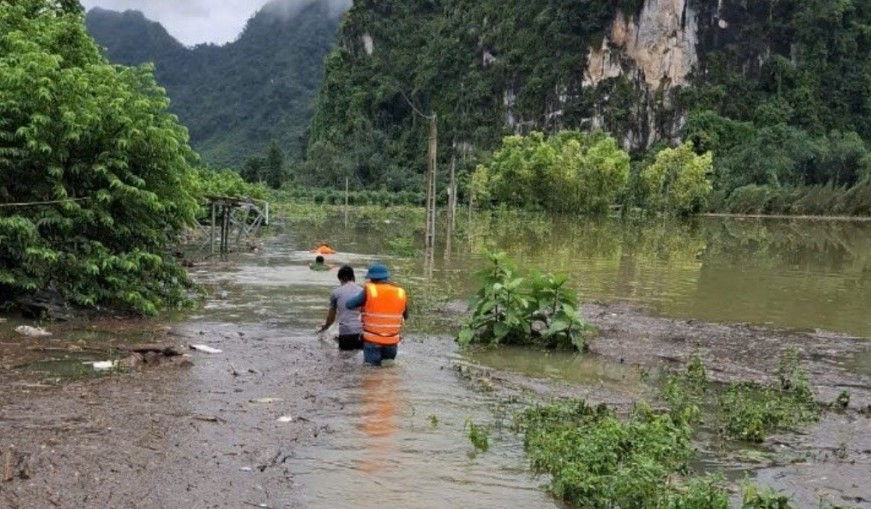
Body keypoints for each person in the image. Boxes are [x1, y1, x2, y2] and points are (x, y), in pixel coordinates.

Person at [346, 263, 408, 366]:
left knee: (371, 372)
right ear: (387, 277)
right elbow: (405, 316)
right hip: (392, 342)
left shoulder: (370, 290)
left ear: (371, 279)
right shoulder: (400, 292)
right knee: (388, 370)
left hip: (372, 341)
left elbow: (349, 305)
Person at [318, 265, 364, 350]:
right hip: (362, 333)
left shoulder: (336, 292)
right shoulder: (362, 291)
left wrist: (324, 328)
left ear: (341, 279)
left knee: (344, 359)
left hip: (346, 333)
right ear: (353, 277)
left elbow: (331, 317)